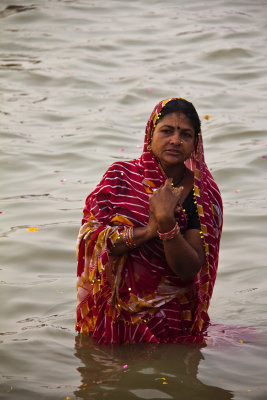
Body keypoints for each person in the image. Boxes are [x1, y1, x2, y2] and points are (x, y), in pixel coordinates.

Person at [75, 97, 223, 344]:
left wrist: (166, 223)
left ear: (195, 142)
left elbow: (189, 269)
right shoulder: (119, 177)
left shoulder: (203, 193)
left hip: (175, 321)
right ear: (150, 134)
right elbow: (92, 238)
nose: (175, 140)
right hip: (117, 314)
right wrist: (149, 231)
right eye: (167, 130)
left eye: (185, 134)